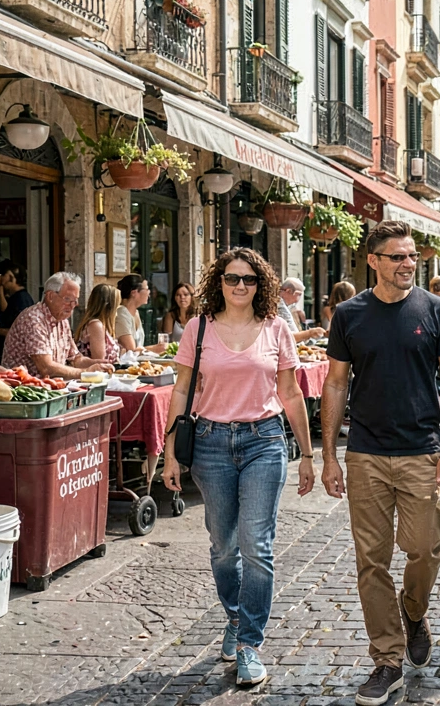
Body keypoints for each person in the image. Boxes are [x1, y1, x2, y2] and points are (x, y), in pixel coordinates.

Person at [319, 221, 440, 706]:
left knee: (425, 547)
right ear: (374, 261)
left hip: (422, 449)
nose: (408, 264)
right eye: (398, 257)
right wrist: (328, 456)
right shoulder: (349, 314)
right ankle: (386, 659)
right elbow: (337, 383)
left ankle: (414, 609)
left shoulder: (436, 309)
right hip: (365, 453)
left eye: (412, 257)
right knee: (372, 561)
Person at [161, 247, 315, 688]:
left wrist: (308, 455)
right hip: (210, 444)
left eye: (249, 279)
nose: (240, 286)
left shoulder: (277, 329)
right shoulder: (199, 328)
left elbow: (290, 393)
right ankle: (233, 615)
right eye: (232, 279)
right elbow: (181, 390)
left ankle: (250, 643)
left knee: (257, 546)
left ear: (261, 283)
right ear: (219, 283)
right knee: (224, 547)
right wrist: (170, 453)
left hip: (264, 441)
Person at [2, 272, 115, 378]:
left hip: (50, 389)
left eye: (75, 300)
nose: (72, 305)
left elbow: (76, 359)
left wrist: (99, 364)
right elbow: (46, 368)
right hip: (25, 391)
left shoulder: (62, 320)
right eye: (68, 299)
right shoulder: (33, 319)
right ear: (50, 296)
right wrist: (86, 372)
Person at [116, 274, 168, 355]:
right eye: (147, 289)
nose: (149, 292)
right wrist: (155, 348)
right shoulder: (121, 313)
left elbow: (138, 347)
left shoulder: (136, 313)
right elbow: (131, 350)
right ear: (134, 293)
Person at [73, 284, 123, 363]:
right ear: (109, 307)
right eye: (116, 306)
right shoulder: (96, 325)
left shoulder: (98, 324)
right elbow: (99, 360)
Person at [0, 260, 36, 355]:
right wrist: (0, 288)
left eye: (3, 275)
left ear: (10, 277)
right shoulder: (16, 297)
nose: (1, 279)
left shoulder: (21, 299)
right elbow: (5, 310)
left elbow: (18, 331)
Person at [278, 278, 326, 343]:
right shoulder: (279, 305)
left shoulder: (286, 305)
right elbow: (289, 337)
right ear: (288, 291)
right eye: (299, 294)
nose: (297, 300)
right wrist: (310, 333)